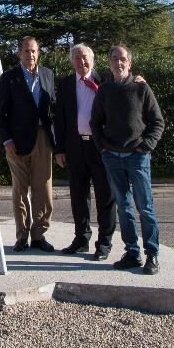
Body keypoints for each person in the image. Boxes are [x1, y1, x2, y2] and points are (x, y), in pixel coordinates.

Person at [90, 45, 165, 275]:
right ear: (109, 63)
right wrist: (103, 148)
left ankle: (152, 254)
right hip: (112, 157)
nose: (118, 63)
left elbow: (157, 121)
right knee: (124, 207)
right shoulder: (104, 91)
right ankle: (132, 252)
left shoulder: (142, 89)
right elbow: (95, 123)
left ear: (129, 63)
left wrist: (145, 146)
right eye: (114, 59)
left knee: (145, 207)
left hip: (137, 157)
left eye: (122, 59)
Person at [53, 43, 117, 260]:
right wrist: (59, 149)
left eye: (85, 57)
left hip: (101, 148)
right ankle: (81, 239)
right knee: (78, 196)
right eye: (77, 58)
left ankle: (104, 243)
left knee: (105, 196)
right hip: (75, 147)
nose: (81, 62)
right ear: (72, 61)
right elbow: (60, 119)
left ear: (93, 59)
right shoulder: (65, 84)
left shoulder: (106, 81)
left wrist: (139, 80)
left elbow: (127, 89)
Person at [0, 35, 57, 252]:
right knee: (20, 191)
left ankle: (39, 235)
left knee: (43, 190)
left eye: (34, 51)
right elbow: (0, 114)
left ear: (38, 52)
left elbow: (54, 107)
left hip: (43, 139)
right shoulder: (9, 78)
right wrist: (7, 140)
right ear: (19, 53)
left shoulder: (48, 75)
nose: (30, 55)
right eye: (26, 51)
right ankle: (21, 235)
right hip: (16, 142)